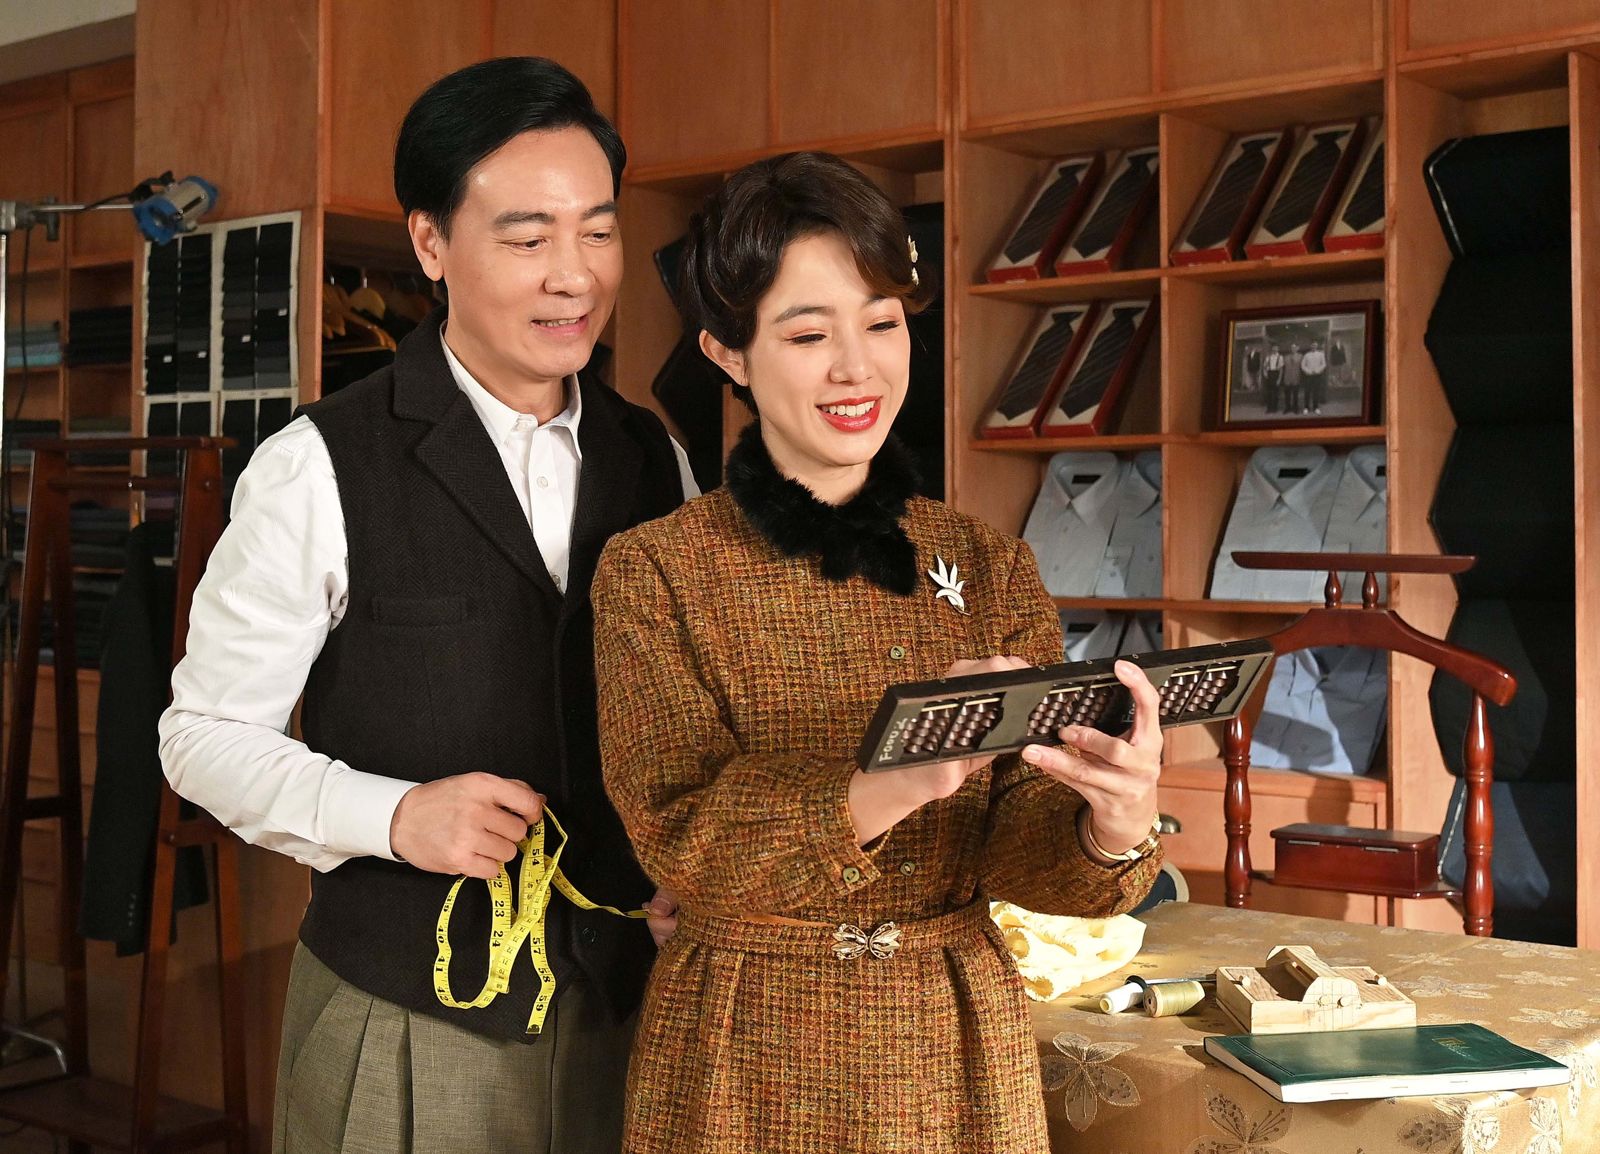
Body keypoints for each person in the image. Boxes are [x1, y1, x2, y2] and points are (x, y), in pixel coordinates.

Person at [159, 57, 697, 1154]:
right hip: (409, 1020)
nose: (574, 276)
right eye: (528, 238)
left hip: (631, 1006)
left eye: (597, 232)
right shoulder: (318, 463)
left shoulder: (656, 457)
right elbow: (200, 735)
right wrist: (394, 816)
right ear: (431, 243)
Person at [591, 151, 1164, 1154]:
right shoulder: (656, 570)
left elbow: (1027, 854)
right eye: (808, 333)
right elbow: (678, 836)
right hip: (741, 1047)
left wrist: (1111, 823)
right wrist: (889, 781)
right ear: (728, 352)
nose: (856, 368)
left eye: (883, 323)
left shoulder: (988, 563)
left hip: (952, 1038)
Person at [1300, 338, 1328, 415]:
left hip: (1317, 375)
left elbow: (1324, 364)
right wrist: (1308, 371)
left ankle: (1316, 408)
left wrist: (1318, 370)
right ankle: (1306, 407)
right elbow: (1302, 365)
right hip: (1308, 376)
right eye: (1312, 345)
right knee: (1307, 392)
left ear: (1317, 345)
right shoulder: (1306, 355)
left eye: (1315, 345)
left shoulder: (1321, 354)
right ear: (1310, 346)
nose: (1313, 346)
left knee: (1316, 392)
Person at [1261, 343, 1285, 414]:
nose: (1275, 349)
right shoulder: (1268, 357)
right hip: (1269, 374)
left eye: (1276, 348)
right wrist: (1265, 374)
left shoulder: (1280, 357)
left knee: (1275, 392)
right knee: (1269, 392)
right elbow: (1264, 367)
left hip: (1276, 374)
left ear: (1278, 349)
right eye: (1274, 348)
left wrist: (1279, 379)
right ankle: (1269, 408)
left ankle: (1275, 408)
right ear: (1272, 349)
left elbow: (1281, 369)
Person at [1282, 341, 1303, 415]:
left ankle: (1295, 408)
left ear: (1297, 348)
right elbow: (1283, 367)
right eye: (1292, 347)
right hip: (1287, 377)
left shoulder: (1300, 356)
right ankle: (1287, 408)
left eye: (1294, 347)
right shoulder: (1286, 357)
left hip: (1296, 377)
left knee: (1295, 394)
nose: (1293, 349)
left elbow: (1302, 367)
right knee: (1287, 394)